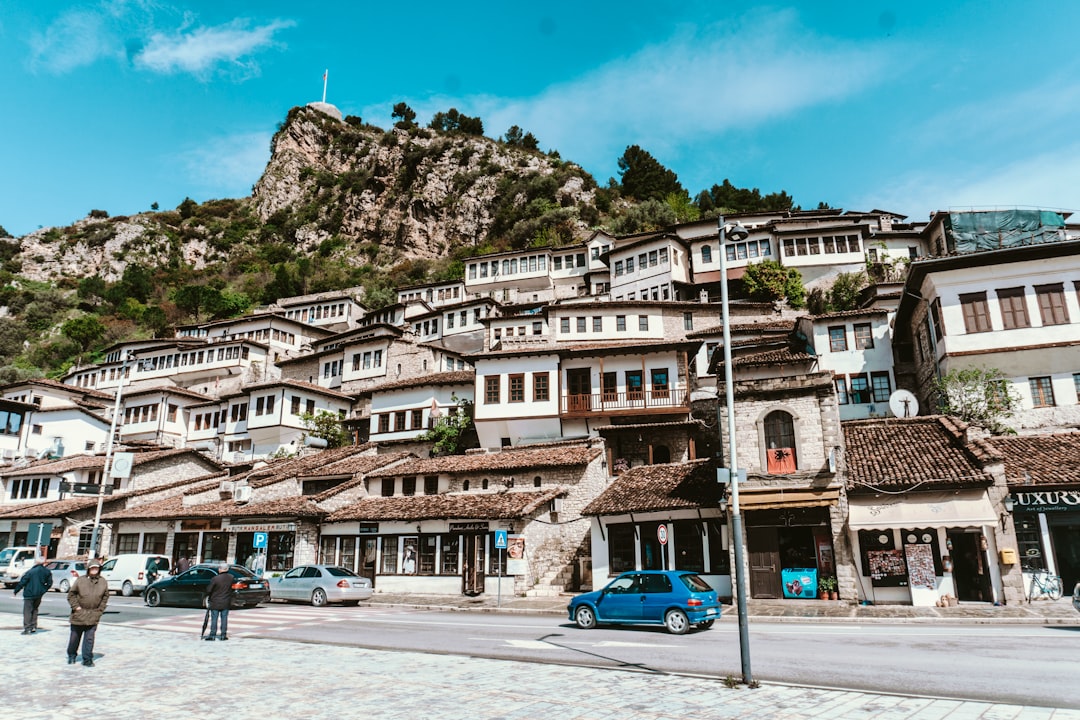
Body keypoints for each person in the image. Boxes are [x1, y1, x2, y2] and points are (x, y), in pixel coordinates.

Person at [67, 559, 109, 666]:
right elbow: (71, 595)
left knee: (89, 639)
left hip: (93, 614)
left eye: (96, 568)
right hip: (79, 614)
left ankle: (87, 659)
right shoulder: (81, 580)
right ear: (89, 569)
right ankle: (72, 656)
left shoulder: (103, 582)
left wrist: (100, 610)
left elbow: (105, 596)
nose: (94, 570)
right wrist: (76, 607)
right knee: (74, 638)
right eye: (92, 568)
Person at [13, 556, 52, 634]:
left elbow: (23, 581)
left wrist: (16, 590)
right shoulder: (47, 571)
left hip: (29, 593)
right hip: (39, 594)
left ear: (36, 562)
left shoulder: (31, 571)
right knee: (35, 609)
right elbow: (49, 583)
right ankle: (33, 626)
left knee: (27, 611)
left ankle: (27, 628)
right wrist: (43, 590)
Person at [205, 562, 234, 641]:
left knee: (214, 618)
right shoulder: (231, 577)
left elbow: (209, 590)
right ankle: (223, 635)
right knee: (224, 618)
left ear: (221, 569)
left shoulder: (215, 579)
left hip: (215, 601)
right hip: (226, 601)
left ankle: (212, 635)